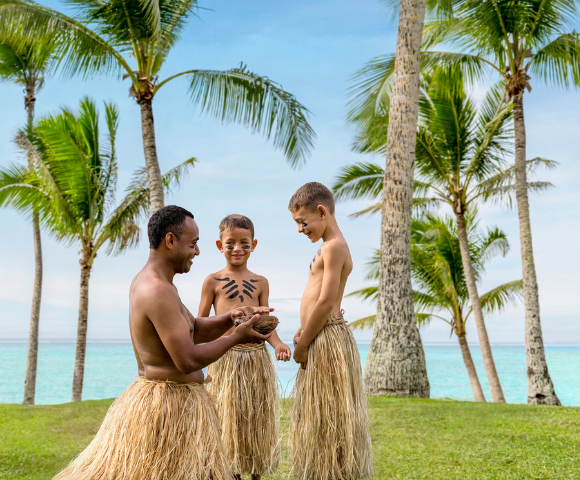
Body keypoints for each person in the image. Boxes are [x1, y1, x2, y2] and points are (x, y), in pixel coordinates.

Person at [53, 205, 273, 480]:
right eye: (193, 244)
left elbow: (193, 329)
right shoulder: (157, 290)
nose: (197, 252)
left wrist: (233, 317)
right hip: (167, 407)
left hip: (177, 403)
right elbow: (187, 359)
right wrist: (236, 338)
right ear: (170, 241)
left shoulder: (160, 285)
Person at [288, 183, 374, 480]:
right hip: (317, 334)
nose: (300, 229)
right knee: (321, 419)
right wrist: (302, 327)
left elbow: (325, 301)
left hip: (325, 338)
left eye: (303, 222)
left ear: (321, 212)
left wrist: (302, 346)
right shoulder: (327, 246)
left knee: (331, 419)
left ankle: (334, 473)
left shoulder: (334, 246)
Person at [198, 214, 291, 480]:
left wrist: (278, 344)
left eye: (244, 243)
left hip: (255, 359)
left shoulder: (261, 282)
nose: (237, 249)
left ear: (254, 244)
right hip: (226, 358)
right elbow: (201, 323)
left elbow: (264, 324)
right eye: (230, 244)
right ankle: (231, 472)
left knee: (255, 417)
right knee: (229, 421)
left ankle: (255, 473)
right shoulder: (212, 281)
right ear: (219, 245)